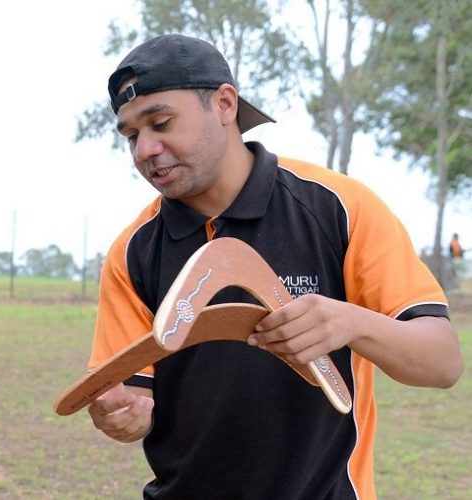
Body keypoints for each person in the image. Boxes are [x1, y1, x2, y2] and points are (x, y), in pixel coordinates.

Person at [86, 34, 463, 499]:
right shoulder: (133, 251)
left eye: (161, 123)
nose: (145, 149)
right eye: (131, 135)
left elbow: (442, 362)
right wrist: (123, 415)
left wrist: (350, 322)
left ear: (225, 104)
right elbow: (134, 395)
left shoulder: (338, 208)